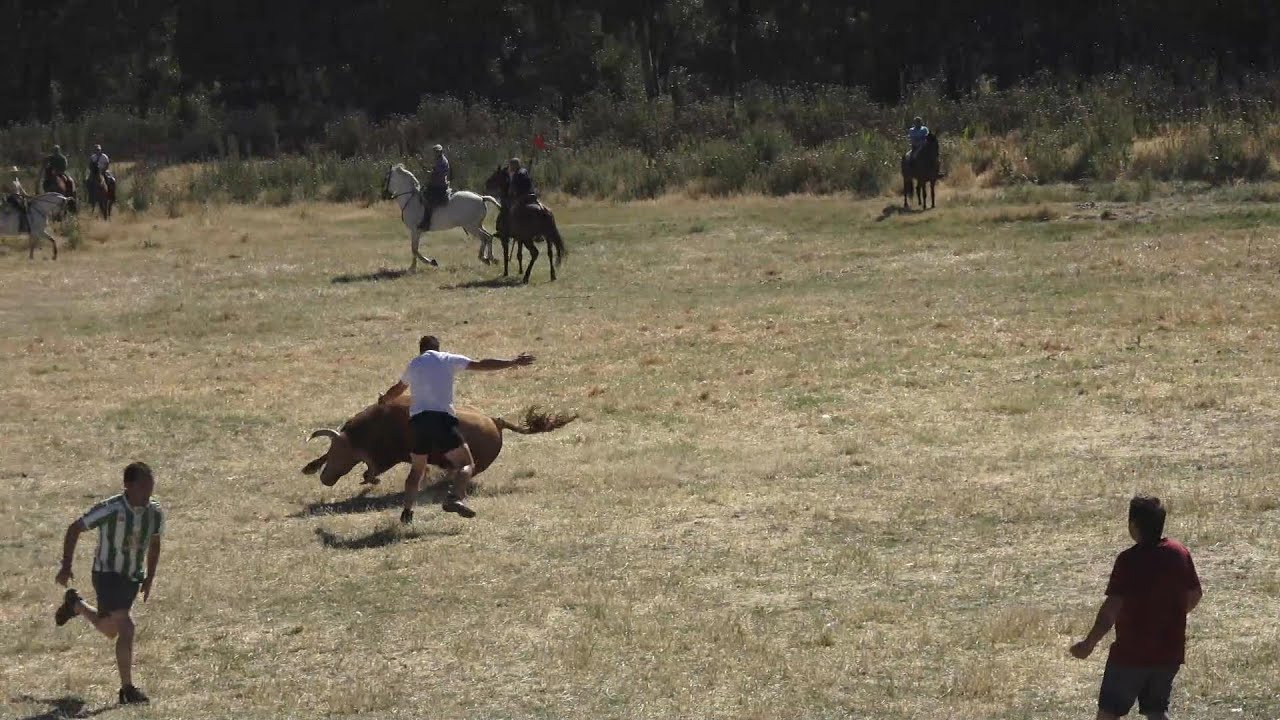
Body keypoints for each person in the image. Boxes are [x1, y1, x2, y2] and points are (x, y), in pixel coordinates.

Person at [1069, 495, 1202, 720]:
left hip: (1130, 654)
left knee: (1108, 713)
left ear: (1133, 526)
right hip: (1169, 653)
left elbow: (1110, 610)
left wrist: (1089, 643)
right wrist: (1170, 616)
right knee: (1156, 710)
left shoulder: (1129, 561)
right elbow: (1195, 594)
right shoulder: (1179, 553)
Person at [377, 335, 534, 522]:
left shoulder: (415, 364)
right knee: (466, 464)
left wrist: (384, 400)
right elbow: (481, 364)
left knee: (417, 470)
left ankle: (407, 512)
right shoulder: (447, 359)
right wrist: (513, 362)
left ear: (421, 350)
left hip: (418, 422)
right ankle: (454, 497)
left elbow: (398, 388)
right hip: (442, 420)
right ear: (438, 348)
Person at [53, 461, 166, 705]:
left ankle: (76, 605)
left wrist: (150, 577)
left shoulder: (154, 512)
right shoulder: (111, 509)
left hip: (131, 577)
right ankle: (127, 690)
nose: (148, 493)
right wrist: (66, 565)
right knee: (127, 626)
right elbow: (74, 528)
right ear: (128, 486)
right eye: (144, 487)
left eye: (151, 487)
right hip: (107, 575)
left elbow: (155, 543)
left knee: (110, 629)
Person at [418, 144, 450, 231]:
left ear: (440, 152)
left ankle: (427, 223)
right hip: (436, 184)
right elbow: (434, 172)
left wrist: (428, 172)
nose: (435, 153)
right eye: (435, 151)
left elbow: (436, 174)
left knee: (428, 201)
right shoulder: (438, 160)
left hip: (439, 185)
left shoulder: (442, 161)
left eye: (437, 151)